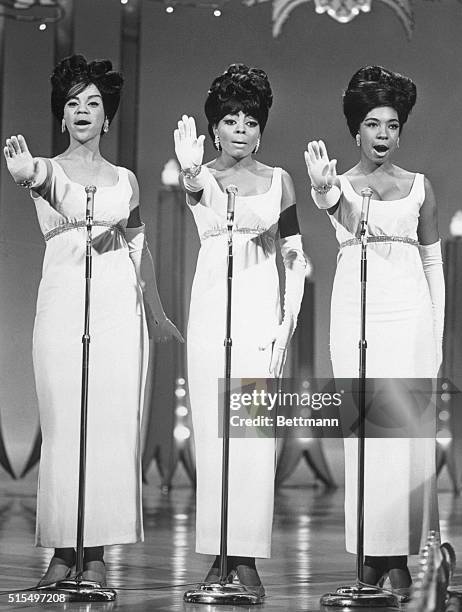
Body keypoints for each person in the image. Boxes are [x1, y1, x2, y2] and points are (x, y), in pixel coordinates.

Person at [3, 54, 182, 587]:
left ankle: (97, 554)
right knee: (63, 429)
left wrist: (155, 312)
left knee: (108, 430)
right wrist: (26, 176)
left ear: (108, 118)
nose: (83, 111)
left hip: (117, 310)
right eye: (73, 103)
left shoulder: (125, 179)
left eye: (94, 104)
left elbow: (139, 243)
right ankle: (62, 552)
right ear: (62, 117)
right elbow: (43, 184)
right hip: (60, 305)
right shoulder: (46, 169)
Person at [304, 65, 443, 599]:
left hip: (408, 318)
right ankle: (368, 556)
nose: (382, 135)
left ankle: (400, 557)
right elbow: (331, 207)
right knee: (366, 435)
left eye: (391, 125)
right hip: (355, 319)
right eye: (372, 124)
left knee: (404, 440)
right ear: (355, 130)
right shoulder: (340, 186)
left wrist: (434, 335)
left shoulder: (419, 188)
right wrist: (323, 189)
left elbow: (433, 265)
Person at [174, 64, 306, 597]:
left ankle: (245, 558)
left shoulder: (280, 181)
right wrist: (188, 172)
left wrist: (287, 321)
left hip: (258, 321)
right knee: (211, 436)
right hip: (208, 317)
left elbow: (295, 256)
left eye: (251, 121)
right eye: (231, 120)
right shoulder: (199, 176)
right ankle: (216, 556)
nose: (243, 130)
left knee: (252, 440)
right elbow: (193, 192)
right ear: (215, 127)